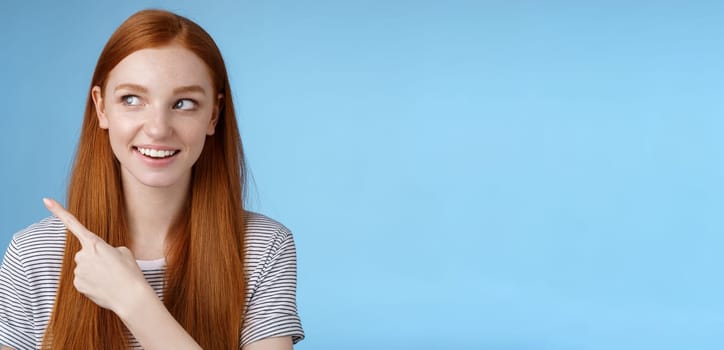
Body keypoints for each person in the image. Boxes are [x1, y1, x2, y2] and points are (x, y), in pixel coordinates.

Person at [0, 9, 304, 350]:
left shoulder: (263, 248)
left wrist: (134, 301)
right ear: (101, 108)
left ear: (213, 115)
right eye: (132, 99)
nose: (158, 128)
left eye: (184, 103)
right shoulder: (34, 255)